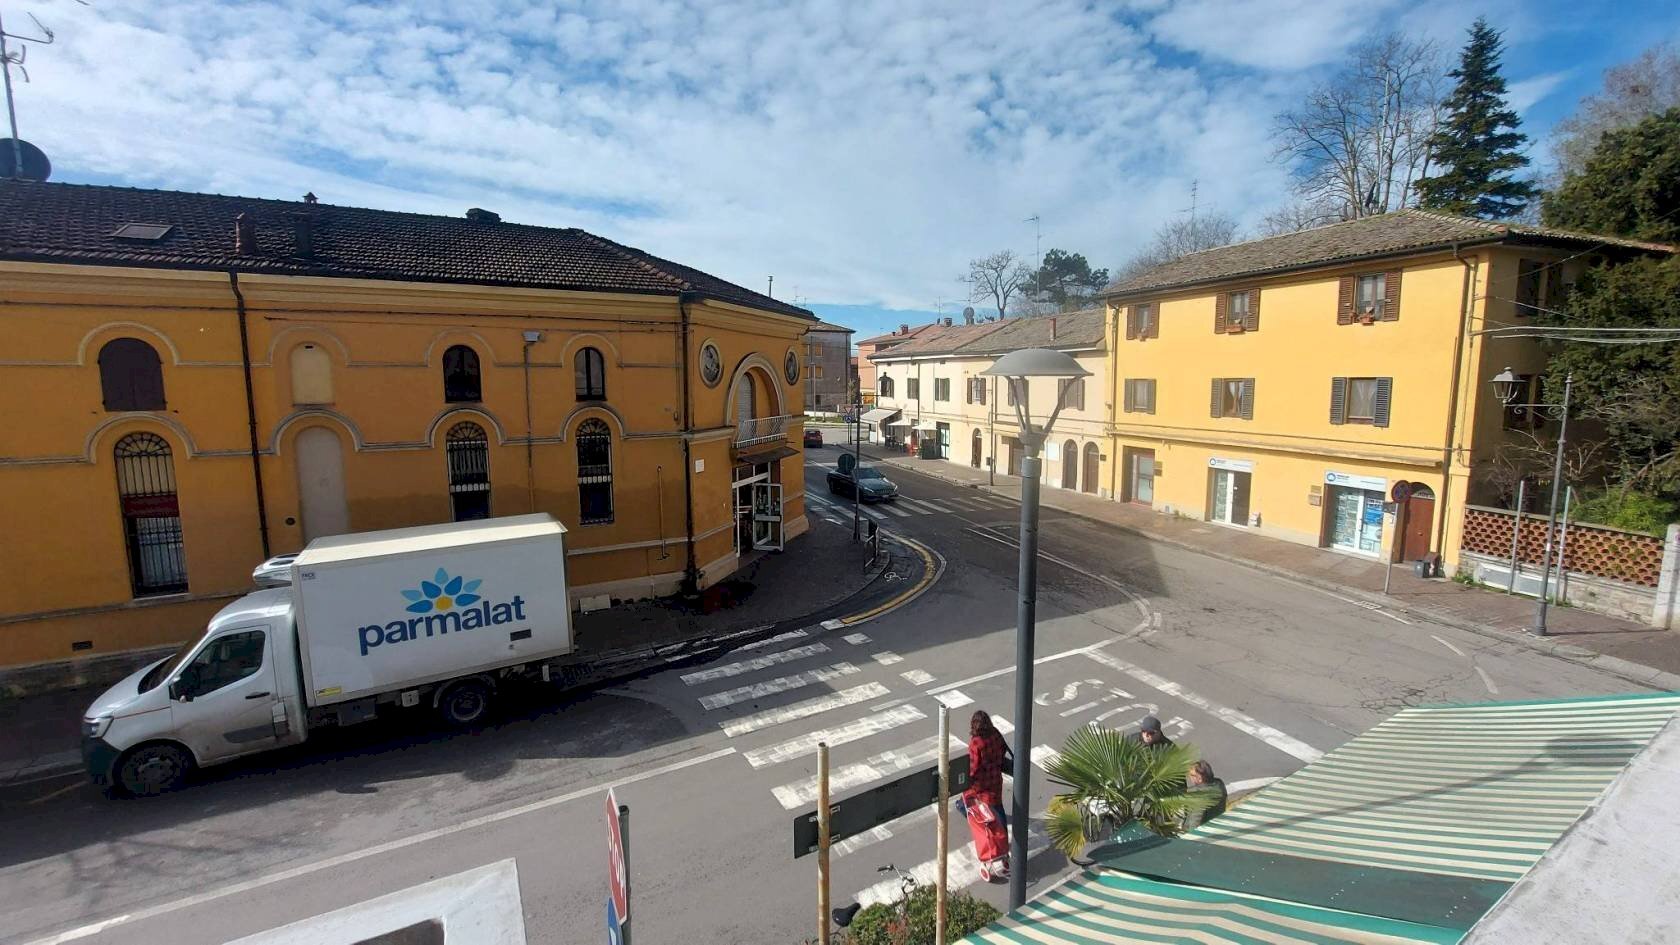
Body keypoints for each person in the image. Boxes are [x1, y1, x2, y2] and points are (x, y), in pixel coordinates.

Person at [959, 710, 1012, 880]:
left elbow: (973, 769)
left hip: (981, 786)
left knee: (967, 807)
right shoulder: (995, 733)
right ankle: (1003, 846)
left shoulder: (976, 743)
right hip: (995, 781)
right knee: (998, 809)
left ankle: (993, 843)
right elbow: (1004, 749)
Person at [1183, 760, 1228, 830]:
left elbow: (1195, 819)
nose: (1189, 777)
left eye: (1192, 775)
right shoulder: (1219, 783)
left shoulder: (1200, 794)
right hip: (1218, 824)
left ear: (1199, 778)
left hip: (1204, 831)